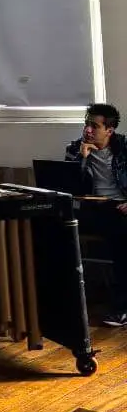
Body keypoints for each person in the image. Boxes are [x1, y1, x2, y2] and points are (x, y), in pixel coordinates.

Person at [64, 102, 127, 327]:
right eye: (86, 124)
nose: (87, 130)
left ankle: (121, 308)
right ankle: (64, 302)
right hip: (92, 209)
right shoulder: (75, 149)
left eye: (94, 126)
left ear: (109, 130)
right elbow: (71, 188)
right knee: (56, 229)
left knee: (121, 237)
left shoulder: (124, 148)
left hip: (120, 207)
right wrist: (81, 159)